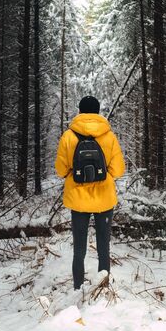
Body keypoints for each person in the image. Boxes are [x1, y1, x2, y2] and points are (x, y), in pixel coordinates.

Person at [54, 96, 125, 291]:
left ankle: (78, 289)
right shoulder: (109, 136)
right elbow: (118, 170)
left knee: (79, 250)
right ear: (98, 111)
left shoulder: (68, 136)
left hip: (78, 200)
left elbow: (60, 171)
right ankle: (103, 288)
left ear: (80, 111)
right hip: (104, 199)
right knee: (103, 248)